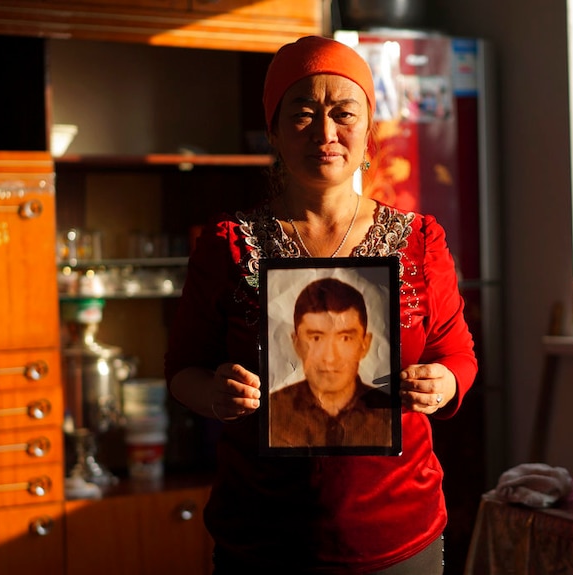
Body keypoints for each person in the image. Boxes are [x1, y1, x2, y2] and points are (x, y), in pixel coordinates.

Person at [164, 34, 477, 575]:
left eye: (344, 113)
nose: (326, 133)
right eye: (304, 113)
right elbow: (179, 370)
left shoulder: (420, 241)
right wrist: (215, 393)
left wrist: (442, 383)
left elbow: (459, 356)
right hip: (261, 538)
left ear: (367, 128)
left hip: (397, 533)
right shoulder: (228, 245)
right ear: (274, 130)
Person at [269, 276, 391, 448]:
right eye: (316, 338)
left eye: (345, 338)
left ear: (365, 344)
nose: (330, 358)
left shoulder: (389, 415)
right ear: (296, 343)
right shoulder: (272, 411)